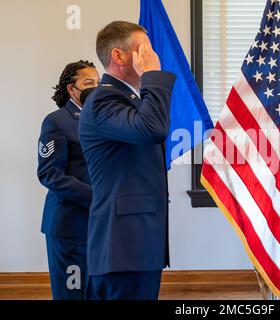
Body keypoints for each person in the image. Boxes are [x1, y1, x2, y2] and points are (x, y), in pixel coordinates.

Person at [78, 21, 176, 300]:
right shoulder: (101, 100)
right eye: (143, 49)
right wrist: (153, 77)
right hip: (122, 247)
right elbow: (151, 129)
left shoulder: (130, 100)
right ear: (118, 56)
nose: (152, 56)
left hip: (139, 246)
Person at [37, 60, 100, 299]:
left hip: (99, 224)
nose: (95, 88)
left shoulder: (103, 120)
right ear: (71, 89)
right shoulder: (56, 121)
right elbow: (49, 173)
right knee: (72, 293)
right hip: (69, 223)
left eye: (98, 83)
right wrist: (97, 197)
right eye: (88, 83)